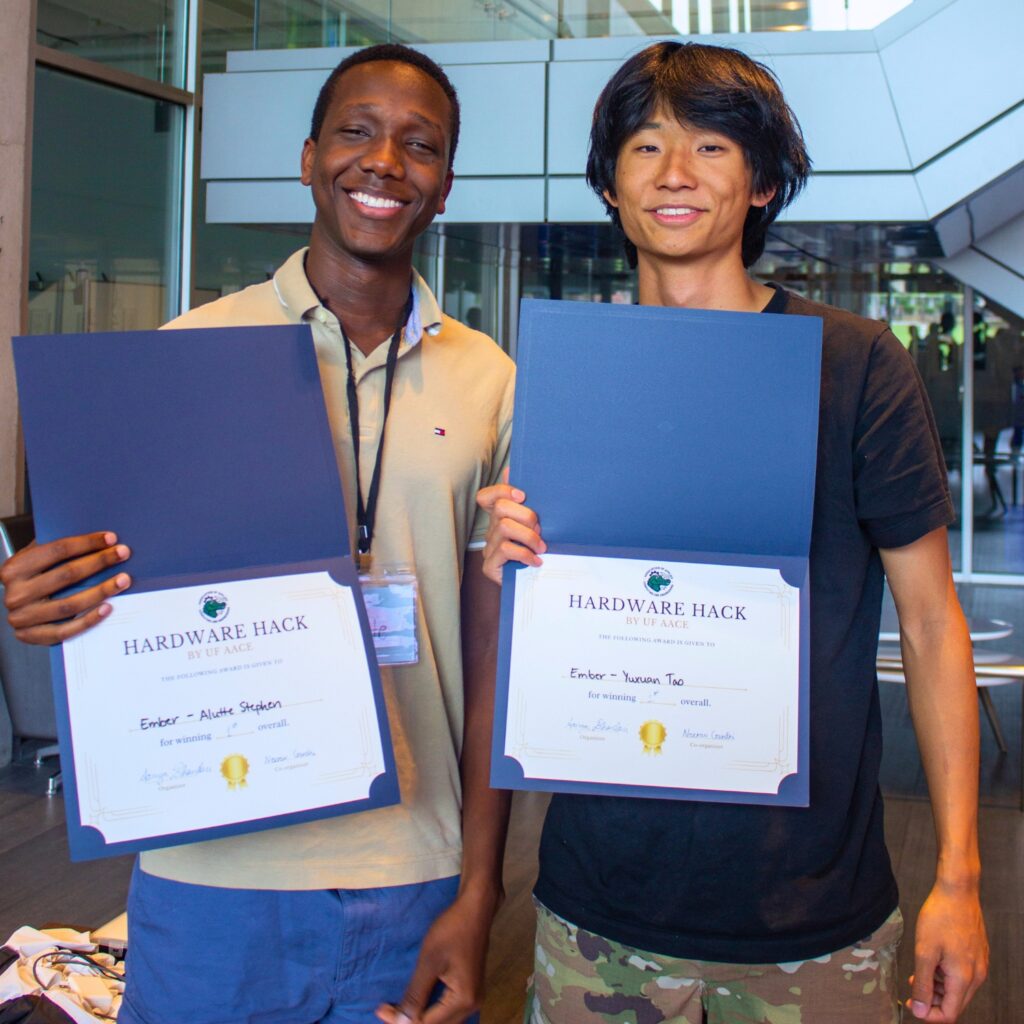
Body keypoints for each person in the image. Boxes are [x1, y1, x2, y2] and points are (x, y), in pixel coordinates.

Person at [2, 44, 514, 1024]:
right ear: (310, 154)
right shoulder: (189, 353)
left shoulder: (488, 377)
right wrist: (45, 597)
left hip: (412, 862)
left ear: (444, 185)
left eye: (420, 145)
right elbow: (106, 579)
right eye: (357, 132)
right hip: (207, 866)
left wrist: (480, 888)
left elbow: (493, 658)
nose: (384, 163)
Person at [478, 41, 987, 1024]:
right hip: (597, 913)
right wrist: (517, 567)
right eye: (644, 145)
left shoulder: (854, 365)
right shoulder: (571, 375)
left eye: (711, 146)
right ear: (610, 182)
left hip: (813, 918)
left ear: (760, 183)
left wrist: (958, 878)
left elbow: (930, 627)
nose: (674, 173)